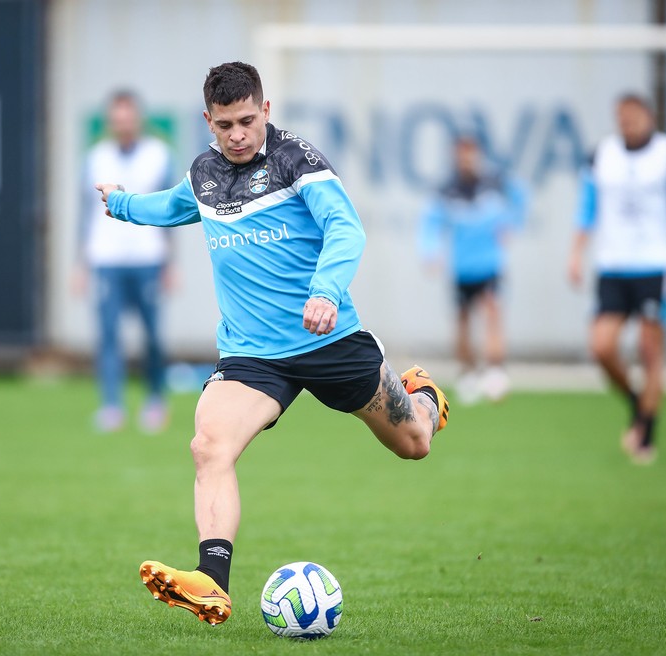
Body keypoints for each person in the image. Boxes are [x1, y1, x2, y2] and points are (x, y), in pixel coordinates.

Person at [95, 62, 450, 625]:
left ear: (265, 110)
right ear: (207, 122)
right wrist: (121, 204)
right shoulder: (205, 173)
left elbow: (345, 227)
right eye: (224, 125)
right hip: (253, 356)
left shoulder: (297, 161)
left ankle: (425, 396)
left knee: (414, 442)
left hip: (327, 338)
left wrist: (326, 291)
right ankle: (212, 582)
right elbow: (173, 205)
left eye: (246, 121)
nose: (236, 135)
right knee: (209, 446)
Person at [568, 94, 666, 465]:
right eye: (622, 119)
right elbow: (587, 210)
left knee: (649, 348)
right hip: (612, 265)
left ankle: (646, 433)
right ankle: (635, 401)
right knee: (602, 346)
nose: (628, 125)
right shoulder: (602, 156)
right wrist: (576, 253)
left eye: (634, 118)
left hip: (655, 265)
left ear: (649, 116)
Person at [76, 91, 174, 433]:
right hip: (106, 258)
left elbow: (169, 212)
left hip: (147, 257)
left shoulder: (158, 155)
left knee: (152, 337)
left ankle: (155, 401)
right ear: (110, 122)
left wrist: (170, 264)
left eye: (128, 117)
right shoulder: (96, 157)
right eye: (117, 119)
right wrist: (81, 263)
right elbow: (84, 213)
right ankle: (112, 405)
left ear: (138, 119)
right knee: (107, 335)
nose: (123, 124)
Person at [418, 135, 527, 403]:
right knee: (463, 322)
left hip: (489, 265)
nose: (466, 159)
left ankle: (495, 371)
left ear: (478, 155)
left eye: (471, 153)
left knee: (492, 312)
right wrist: (430, 252)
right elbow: (430, 223)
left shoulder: (495, 182)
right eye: (461, 154)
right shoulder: (447, 190)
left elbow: (521, 196)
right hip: (462, 268)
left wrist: (512, 224)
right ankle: (468, 373)